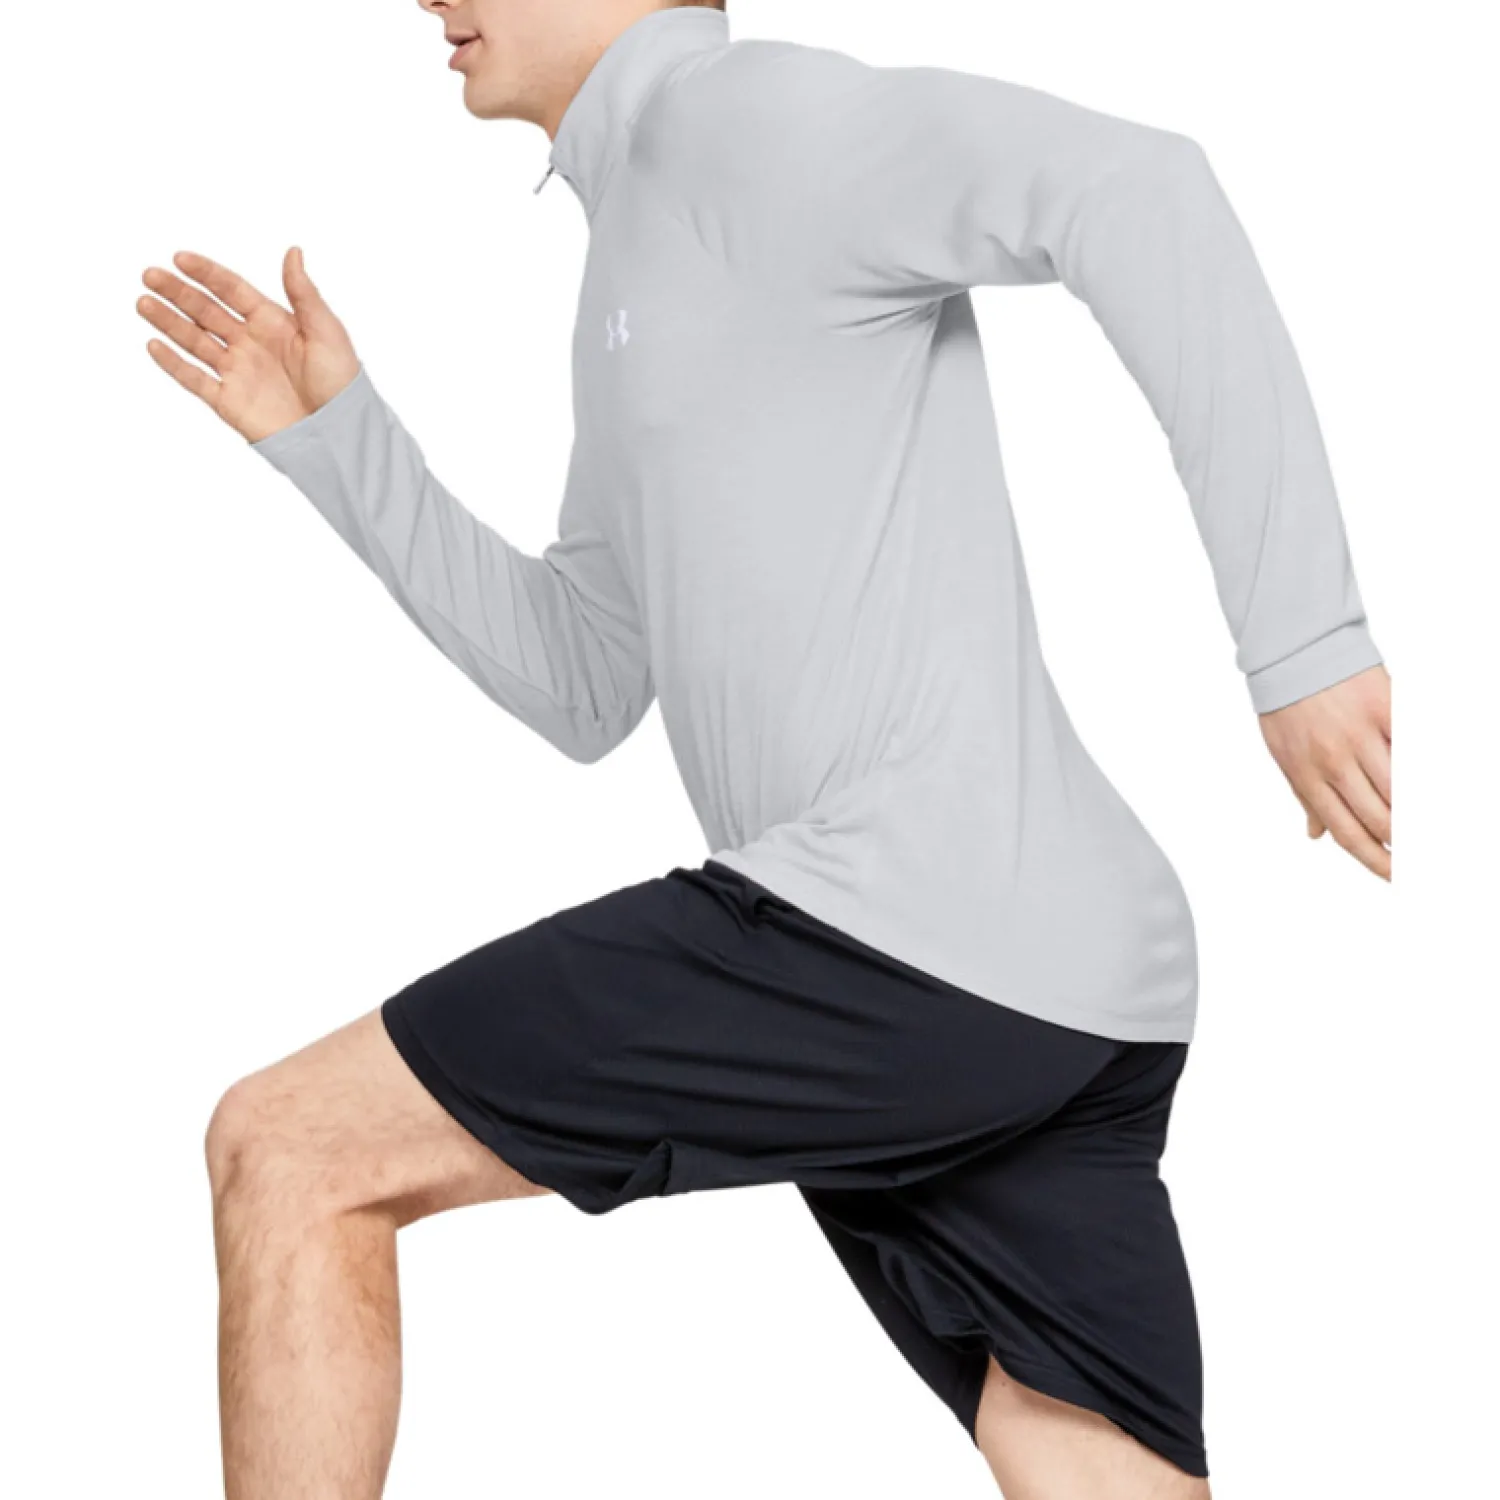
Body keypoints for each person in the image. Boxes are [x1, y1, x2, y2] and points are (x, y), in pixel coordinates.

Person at [135, 1, 1392, 1495]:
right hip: (1055, 988)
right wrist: (341, 442)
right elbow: (585, 677)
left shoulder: (750, 122)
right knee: (1084, 1461)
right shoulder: (639, 247)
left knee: (290, 1150)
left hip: (906, 930)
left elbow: (1138, 187)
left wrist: (1306, 646)